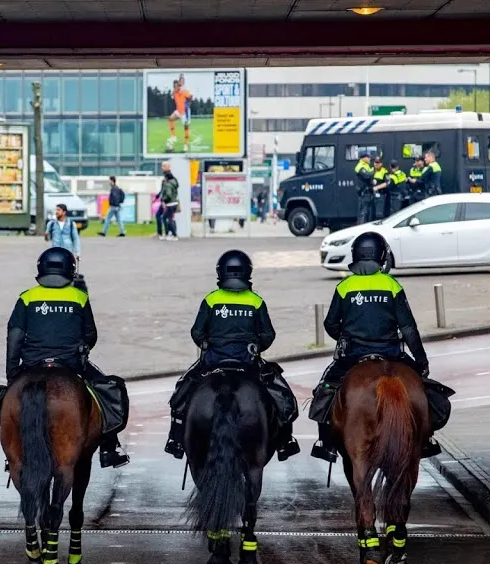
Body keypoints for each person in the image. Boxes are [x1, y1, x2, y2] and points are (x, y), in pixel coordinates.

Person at [307, 232, 442, 463]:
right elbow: (409, 328)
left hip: (352, 356)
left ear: (355, 255)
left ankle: (326, 444)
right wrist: (421, 362)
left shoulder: (344, 286)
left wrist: (343, 337)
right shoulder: (392, 285)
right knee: (424, 390)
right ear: (381, 256)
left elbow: (330, 324)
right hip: (392, 354)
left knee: (325, 392)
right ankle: (427, 439)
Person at [164, 250, 301, 462]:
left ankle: (176, 440)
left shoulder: (211, 300)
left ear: (220, 273)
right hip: (249, 364)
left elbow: (197, 333)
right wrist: (257, 347)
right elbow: (268, 335)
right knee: (283, 398)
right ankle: (285, 442)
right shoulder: (255, 301)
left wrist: (208, 344)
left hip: (212, 363)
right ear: (248, 272)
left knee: (180, 396)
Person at [3, 247, 130, 469]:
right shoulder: (79, 297)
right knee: (110, 392)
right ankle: (110, 447)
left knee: (7, 402)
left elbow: (14, 336)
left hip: (32, 364)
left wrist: (12, 373)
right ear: (70, 271)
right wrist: (81, 347)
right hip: (71, 364)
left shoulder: (27, 297)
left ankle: (12, 454)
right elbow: (91, 334)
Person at [167, 78, 193, 153]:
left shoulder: (184, 92)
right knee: (170, 119)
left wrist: (188, 105)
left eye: (177, 86)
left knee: (186, 127)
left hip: (185, 112)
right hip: (178, 111)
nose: (176, 88)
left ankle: (186, 144)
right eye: (174, 86)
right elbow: (172, 94)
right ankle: (174, 136)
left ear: (179, 86)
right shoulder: (174, 93)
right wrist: (173, 92)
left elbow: (191, 97)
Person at [158, 163, 180, 241]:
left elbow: (168, 195)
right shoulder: (174, 182)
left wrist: (163, 200)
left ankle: (173, 234)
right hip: (174, 202)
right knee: (167, 218)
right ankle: (169, 233)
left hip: (170, 203)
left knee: (168, 219)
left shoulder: (168, 184)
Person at [354, 151, 374, 224]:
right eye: (368, 157)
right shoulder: (360, 166)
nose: (370, 159)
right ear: (363, 158)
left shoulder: (366, 165)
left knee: (367, 212)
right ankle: (361, 228)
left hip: (368, 192)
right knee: (363, 212)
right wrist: (373, 171)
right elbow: (367, 176)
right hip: (364, 192)